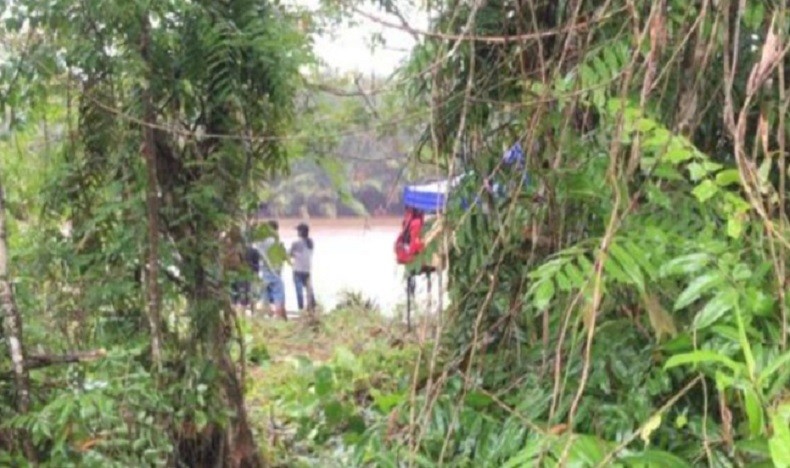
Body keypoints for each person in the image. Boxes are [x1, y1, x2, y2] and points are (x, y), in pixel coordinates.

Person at [257, 220, 287, 320]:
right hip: (275, 273)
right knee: (278, 294)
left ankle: (263, 317)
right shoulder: (276, 242)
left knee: (264, 296)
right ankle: (277, 316)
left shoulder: (260, 243)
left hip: (264, 272)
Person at [289, 223, 314, 312]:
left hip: (297, 270)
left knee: (299, 291)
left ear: (300, 232)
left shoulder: (296, 243)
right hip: (307, 270)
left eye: (298, 231)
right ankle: (312, 308)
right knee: (309, 290)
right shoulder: (310, 242)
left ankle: (301, 309)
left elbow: (289, 254)